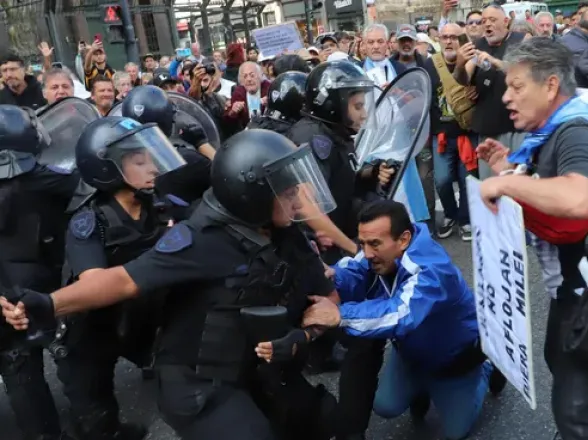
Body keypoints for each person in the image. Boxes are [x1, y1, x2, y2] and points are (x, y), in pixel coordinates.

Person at [1, 129, 339, 440]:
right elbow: (120, 280)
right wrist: (46, 304)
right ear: (254, 193)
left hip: (254, 365)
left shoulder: (286, 235)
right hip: (196, 381)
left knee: (324, 420)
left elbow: (327, 297)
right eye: (289, 190)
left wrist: (312, 328)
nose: (298, 200)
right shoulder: (202, 239)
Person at [303, 199, 507, 440]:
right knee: (385, 406)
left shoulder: (432, 270)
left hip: (453, 359)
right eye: (363, 243)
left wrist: (340, 315)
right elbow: (355, 270)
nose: (367, 253)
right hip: (411, 354)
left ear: (404, 239)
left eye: (375, 244)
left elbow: (400, 314)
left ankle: (487, 367)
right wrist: (333, 276)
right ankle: (420, 386)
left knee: (455, 433)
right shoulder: (380, 252)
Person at [477, 38, 588, 440]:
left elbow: (578, 197)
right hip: (570, 289)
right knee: (556, 358)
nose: (506, 96)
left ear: (551, 85)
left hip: (582, 292)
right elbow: (550, 186)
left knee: (573, 409)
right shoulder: (551, 133)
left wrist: (507, 188)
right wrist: (508, 169)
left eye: (517, 86)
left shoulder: (576, 130)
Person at [55, 116, 188, 440]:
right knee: (94, 413)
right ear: (108, 169)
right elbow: (95, 284)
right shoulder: (90, 222)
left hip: (134, 316)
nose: (152, 168)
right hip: (90, 328)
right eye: (138, 161)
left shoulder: (157, 207)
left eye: (150, 158)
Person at [0, 104, 81, 440]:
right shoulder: (48, 181)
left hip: (5, 288)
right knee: (74, 348)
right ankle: (97, 424)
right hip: (43, 283)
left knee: (18, 366)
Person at [121, 85, 214, 204]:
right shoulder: (188, 160)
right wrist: (201, 143)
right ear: (169, 119)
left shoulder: (118, 162)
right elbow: (227, 178)